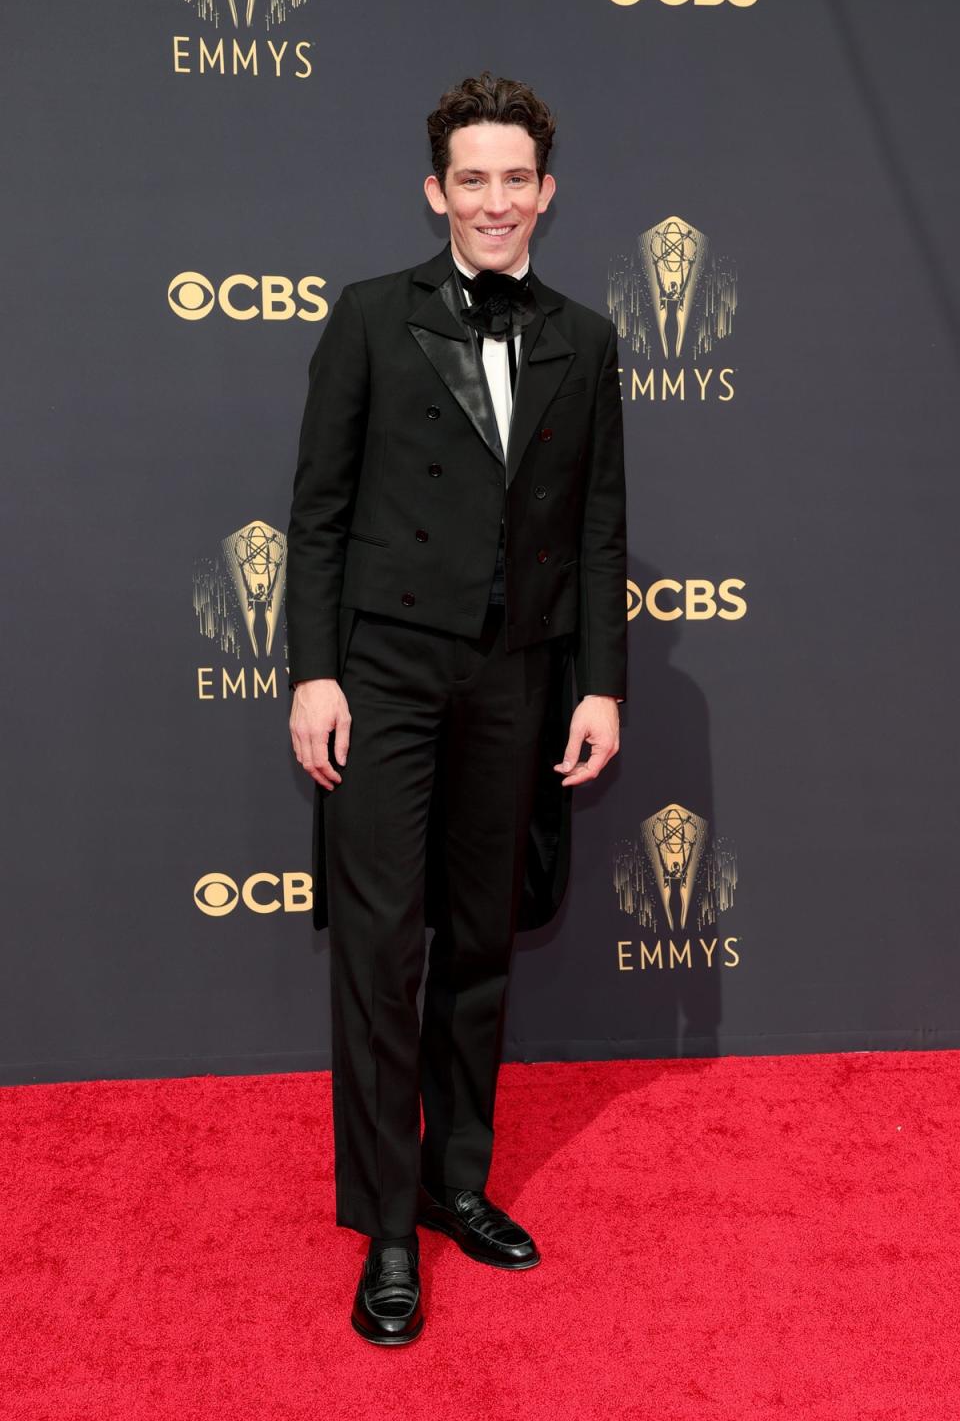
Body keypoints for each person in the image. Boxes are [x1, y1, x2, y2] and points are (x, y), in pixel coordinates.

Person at [285, 70, 627, 1346]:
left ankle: (456, 1181)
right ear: (438, 192)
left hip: (517, 676)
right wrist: (312, 672)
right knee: (383, 950)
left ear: (547, 193)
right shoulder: (371, 319)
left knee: (480, 938)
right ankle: (384, 1226)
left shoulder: (586, 340)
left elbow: (599, 529)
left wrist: (598, 681)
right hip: (383, 674)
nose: (494, 202)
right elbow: (316, 512)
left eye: (515, 180)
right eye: (470, 180)